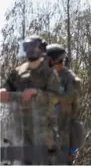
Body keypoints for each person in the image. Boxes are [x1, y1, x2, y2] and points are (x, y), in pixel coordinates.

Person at [0, 35, 61, 164]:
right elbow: (6, 88)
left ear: (41, 49)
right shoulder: (17, 72)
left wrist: (36, 93)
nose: (30, 51)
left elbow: (55, 97)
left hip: (42, 130)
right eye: (27, 47)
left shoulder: (48, 73)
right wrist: (3, 91)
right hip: (20, 129)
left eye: (33, 48)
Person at [46, 44, 84, 164]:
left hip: (64, 135)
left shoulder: (69, 78)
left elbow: (70, 97)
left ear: (55, 60)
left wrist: (55, 98)